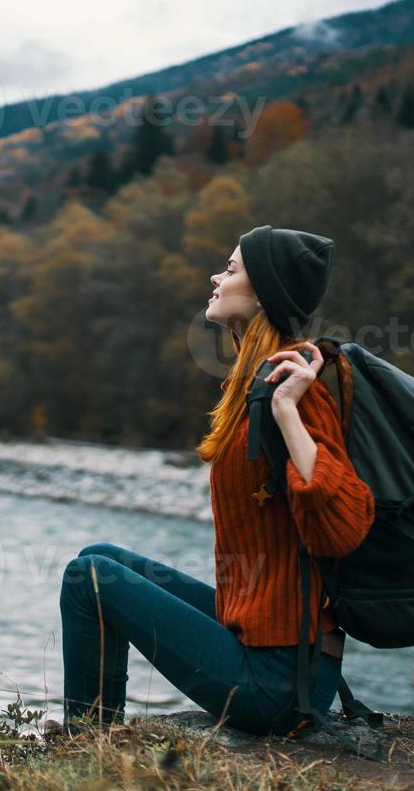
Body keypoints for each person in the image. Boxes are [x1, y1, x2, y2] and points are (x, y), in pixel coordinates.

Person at [50, 226, 375, 739]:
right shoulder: (254, 384)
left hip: (280, 684)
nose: (216, 277)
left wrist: (289, 412)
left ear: (263, 292)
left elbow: (343, 526)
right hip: (260, 638)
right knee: (101, 557)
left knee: (86, 576)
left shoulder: (297, 392)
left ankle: (86, 742)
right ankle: (100, 732)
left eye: (231, 269)